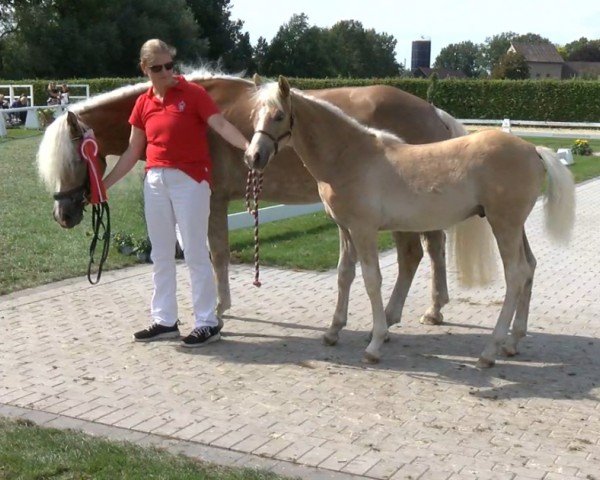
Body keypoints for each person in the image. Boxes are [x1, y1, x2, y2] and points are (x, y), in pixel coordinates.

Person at [103, 39, 249, 347]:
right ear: (145, 69)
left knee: (195, 251)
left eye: (170, 65)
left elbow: (221, 125)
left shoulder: (193, 94)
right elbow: (132, 151)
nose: (166, 72)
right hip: (155, 180)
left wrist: (249, 148)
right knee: (161, 253)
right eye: (158, 67)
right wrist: (103, 185)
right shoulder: (143, 103)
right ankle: (164, 320)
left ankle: (208, 322)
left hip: (191, 180)